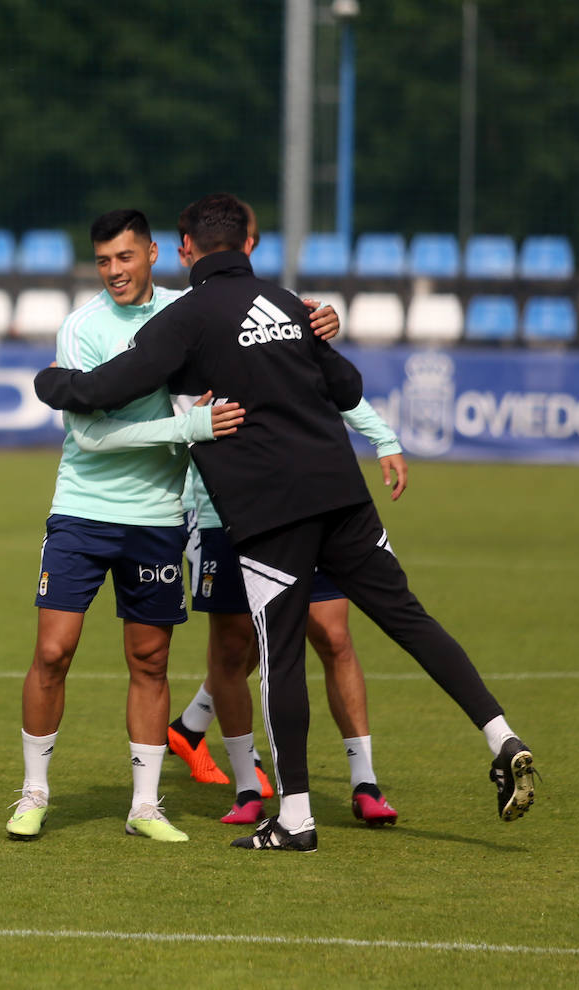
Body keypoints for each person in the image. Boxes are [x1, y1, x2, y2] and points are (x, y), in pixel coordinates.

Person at [35, 193, 537, 852]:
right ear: (248, 245)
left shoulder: (187, 317)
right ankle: (501, 736)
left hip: (271, 512)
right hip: (342, 494)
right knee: (409, 618)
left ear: (184, 249)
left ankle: (294, 816)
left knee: (281, 658)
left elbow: (107, 389)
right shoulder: (285, 303)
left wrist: (52, 384)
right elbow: (348, 386)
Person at [6, 209, 247, 844]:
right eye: (104, 260)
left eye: (125, 257)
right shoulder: (81, 328)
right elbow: (89, 434)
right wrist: (184, 426)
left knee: (150, 659)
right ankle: (34, 792)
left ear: (154, 254)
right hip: (82, 511)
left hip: (157, 518)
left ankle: (144, 806)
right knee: (53, 652)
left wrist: (314, 318)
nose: (115, 271)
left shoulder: (186, 312)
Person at [164, 203, 403, 827]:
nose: (121, 269)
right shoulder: (178, 312)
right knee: (238, 642)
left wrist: (382, 436)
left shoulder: (282, 306)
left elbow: (319, 386)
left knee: (332, 633)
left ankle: (364, 780)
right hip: (222, 508)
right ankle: (247, 786)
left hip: (303, 499)